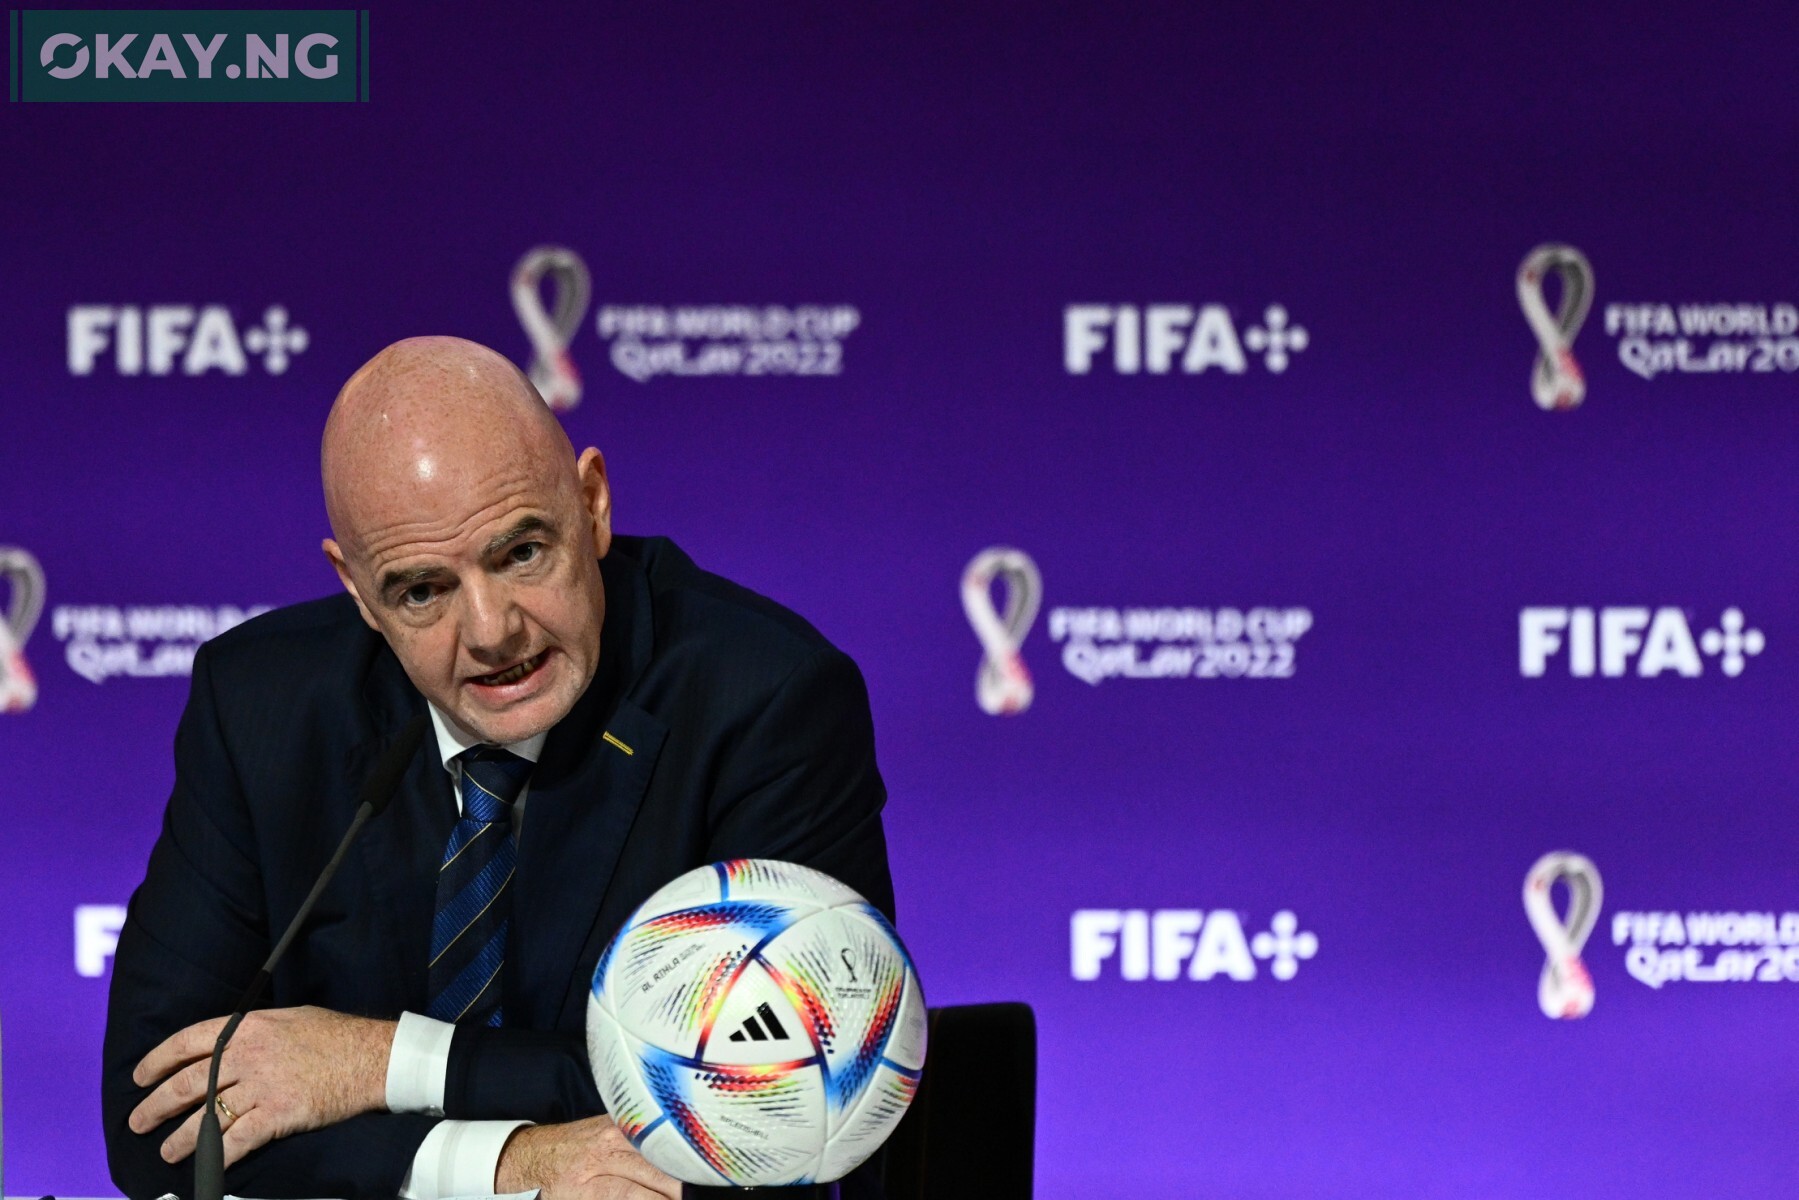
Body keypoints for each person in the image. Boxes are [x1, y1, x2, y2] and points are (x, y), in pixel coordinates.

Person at [102, 337, 895, 1199]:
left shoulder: (762, 701)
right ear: (358, 592)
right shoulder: (263, 708)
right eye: (421, 591)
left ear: (592, 506)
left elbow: (779, 1096)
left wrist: (384, 1062)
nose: (491, 632)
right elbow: (161, 1119)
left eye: (521, 554)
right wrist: (511, 1166)